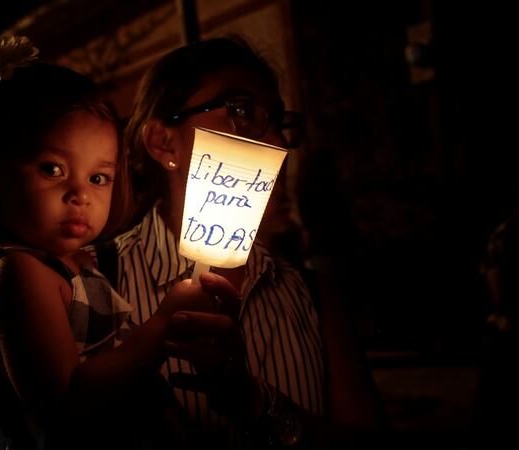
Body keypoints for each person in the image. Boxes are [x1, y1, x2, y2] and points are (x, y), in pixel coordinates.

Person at [0, 35, 237, 450]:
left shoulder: (63, 264)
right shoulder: (18, 272)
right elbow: (68, 400)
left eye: (99, 177)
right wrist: (164, 326)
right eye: (52, 169)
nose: (81, 194)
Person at [104, 36, 385, 448]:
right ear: (164, 142)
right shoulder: (90, 280)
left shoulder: (312, 296)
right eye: (241, 111)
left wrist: (256, 403)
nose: (276, 143)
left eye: (277, 121)